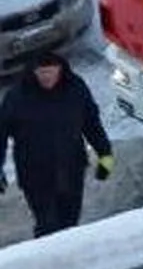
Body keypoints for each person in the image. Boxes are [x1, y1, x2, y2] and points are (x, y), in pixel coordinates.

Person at [0, 50, 114, 238]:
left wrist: (105, 154)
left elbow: (91, 123)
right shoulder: (17, 97)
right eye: (41, 73)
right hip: (34, 173)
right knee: (47, 224)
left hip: (71, 167)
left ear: (60, 69)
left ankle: (69, 259)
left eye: (50, 71)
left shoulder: (76, 89)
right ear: (33, 72)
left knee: (69, 221)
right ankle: (46, 260)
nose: (46, 77)